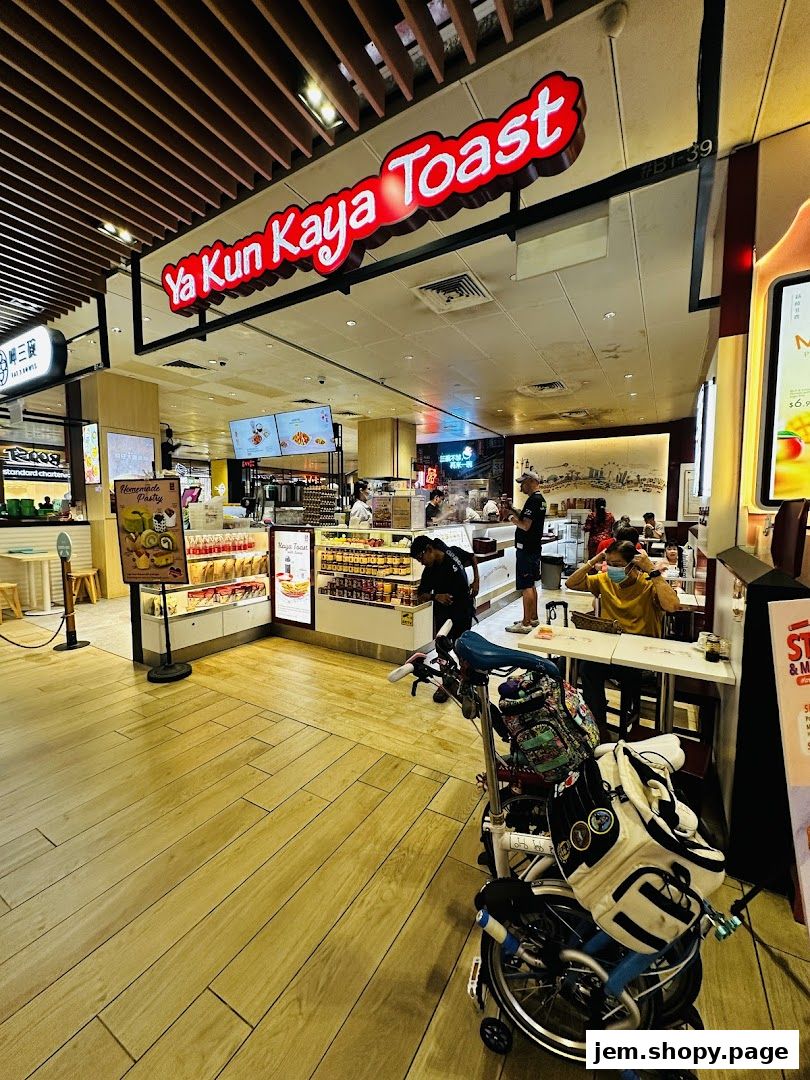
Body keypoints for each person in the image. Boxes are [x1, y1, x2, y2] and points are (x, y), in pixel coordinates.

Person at [565, 540, 680, 739]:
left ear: (632, 564)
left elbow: (672, 606)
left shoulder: (647, 583)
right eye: (609, 563)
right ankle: (598, 726)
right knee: (586, 668)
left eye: (617, 564)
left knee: (595, 669)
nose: (612, 569)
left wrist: (652, 571)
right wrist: (595, 560)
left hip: (641, 658)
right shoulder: (604, 580)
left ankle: (624, 727)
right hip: (611, 652)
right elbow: (571, 583)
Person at [412, 535, 479, 702]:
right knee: (442, 649)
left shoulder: (452, 552)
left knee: (463, 648)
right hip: (444, 616)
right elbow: (420, 595)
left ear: (429, 549)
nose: (421, 562)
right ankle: (446, 683)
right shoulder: (430, 572)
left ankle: (466, 683)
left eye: (421, 558)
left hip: (463, 609)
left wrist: (476, 580)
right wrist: (436, 596)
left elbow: (472, 557)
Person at [505, 470, 547, 634]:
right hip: (534, 548)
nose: (521, 486)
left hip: (526, 549)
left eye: (522, 483)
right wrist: (514, 510)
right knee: (532, 584)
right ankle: (533, 617)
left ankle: (526, 623)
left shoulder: (533, 501)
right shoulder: (540, 500)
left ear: (530, 481)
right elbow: (528, 519)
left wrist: (510, 518)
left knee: (526, 585)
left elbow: (525, 525)